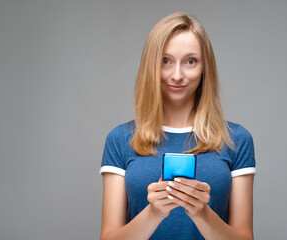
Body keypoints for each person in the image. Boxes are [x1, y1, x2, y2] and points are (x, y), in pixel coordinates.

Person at [99, 12, 256, 240]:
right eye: (165, 61)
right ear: (151, 65)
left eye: (190, 61)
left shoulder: (237, 140)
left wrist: (202, 213)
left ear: (205, 68)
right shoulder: (121, 139)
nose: (177, 75)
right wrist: (153, 213)